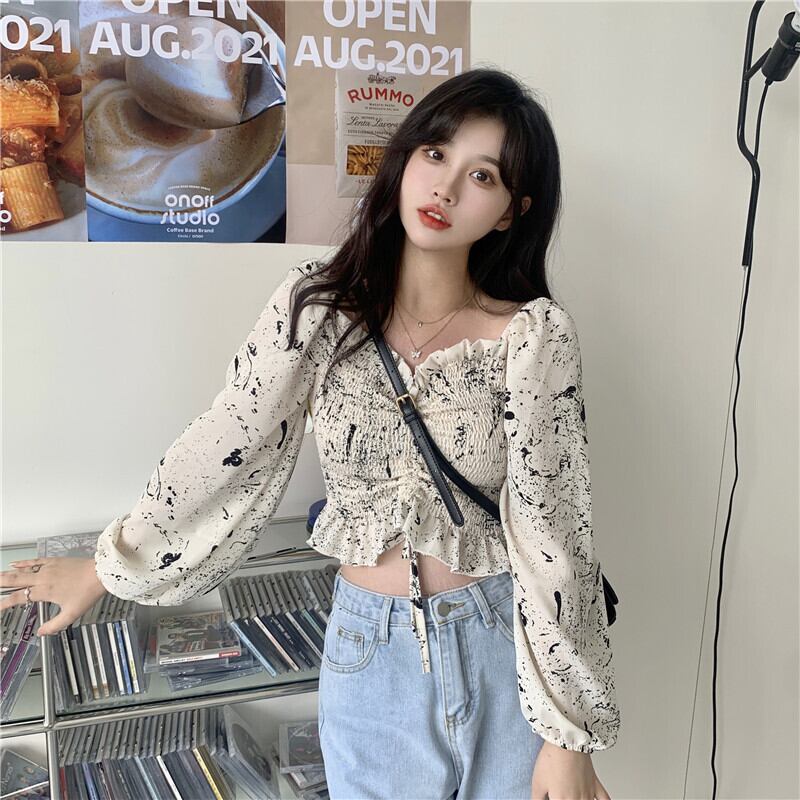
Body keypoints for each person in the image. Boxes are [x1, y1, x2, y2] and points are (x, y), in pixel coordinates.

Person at [0, 67, 620, 799]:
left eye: (481, 175)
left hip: (501, 647)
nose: (446, 188)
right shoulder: (319, 309)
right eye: (435, 153)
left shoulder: (533, 337)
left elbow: (556, 530)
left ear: (513, 211)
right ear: (405, 158)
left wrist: (567, 735)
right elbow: (228, 441)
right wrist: (111, 567)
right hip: (371, 655)